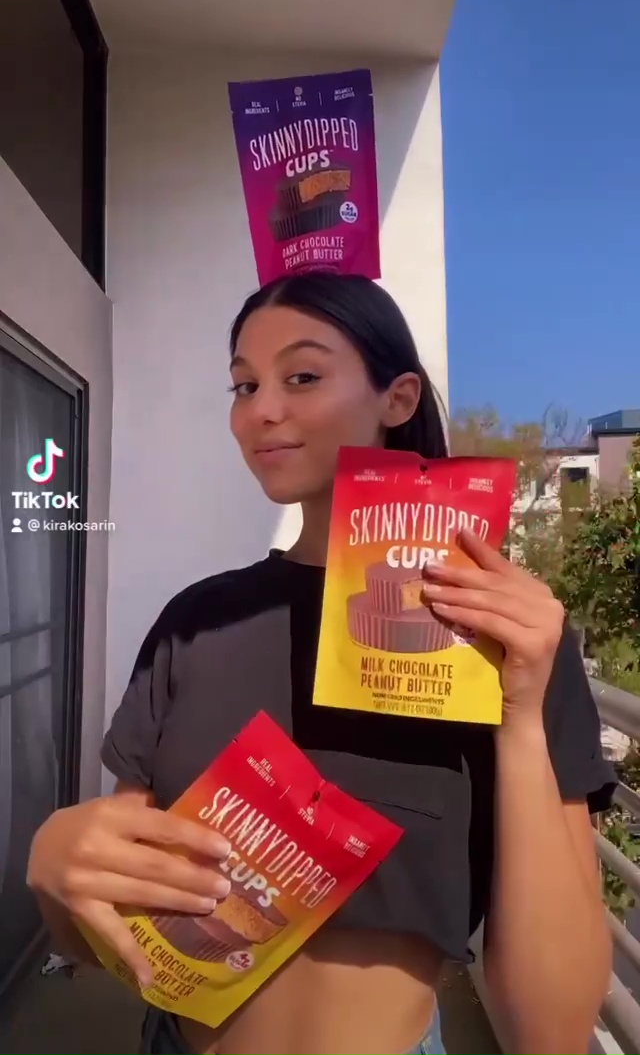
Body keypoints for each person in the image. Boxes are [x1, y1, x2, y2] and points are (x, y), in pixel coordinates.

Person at [28, 273, 615, 1055]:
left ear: (397, 399)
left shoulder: (507, 639)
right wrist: (54, 868)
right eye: (244, 385)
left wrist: (520, 719)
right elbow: (110, 933)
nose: (261, 410)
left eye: (301, 376)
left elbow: (553, 1034)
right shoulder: (196, 624)